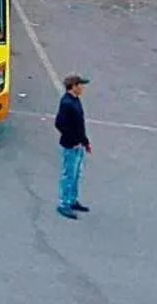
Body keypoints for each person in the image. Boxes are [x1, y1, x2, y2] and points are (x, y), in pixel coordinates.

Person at [55, 74, 91, 218]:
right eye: (81, 85)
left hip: (78, 144)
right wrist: (74, 140)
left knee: (76, 175)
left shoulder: (75, 100)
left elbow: (79, 125)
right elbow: (60, 124)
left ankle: (72, 200)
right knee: (69, 175)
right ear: (74, 86)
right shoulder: (67, 103)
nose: (82, 88)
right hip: (71, 146)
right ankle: (64, 204)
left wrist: (85, 142)